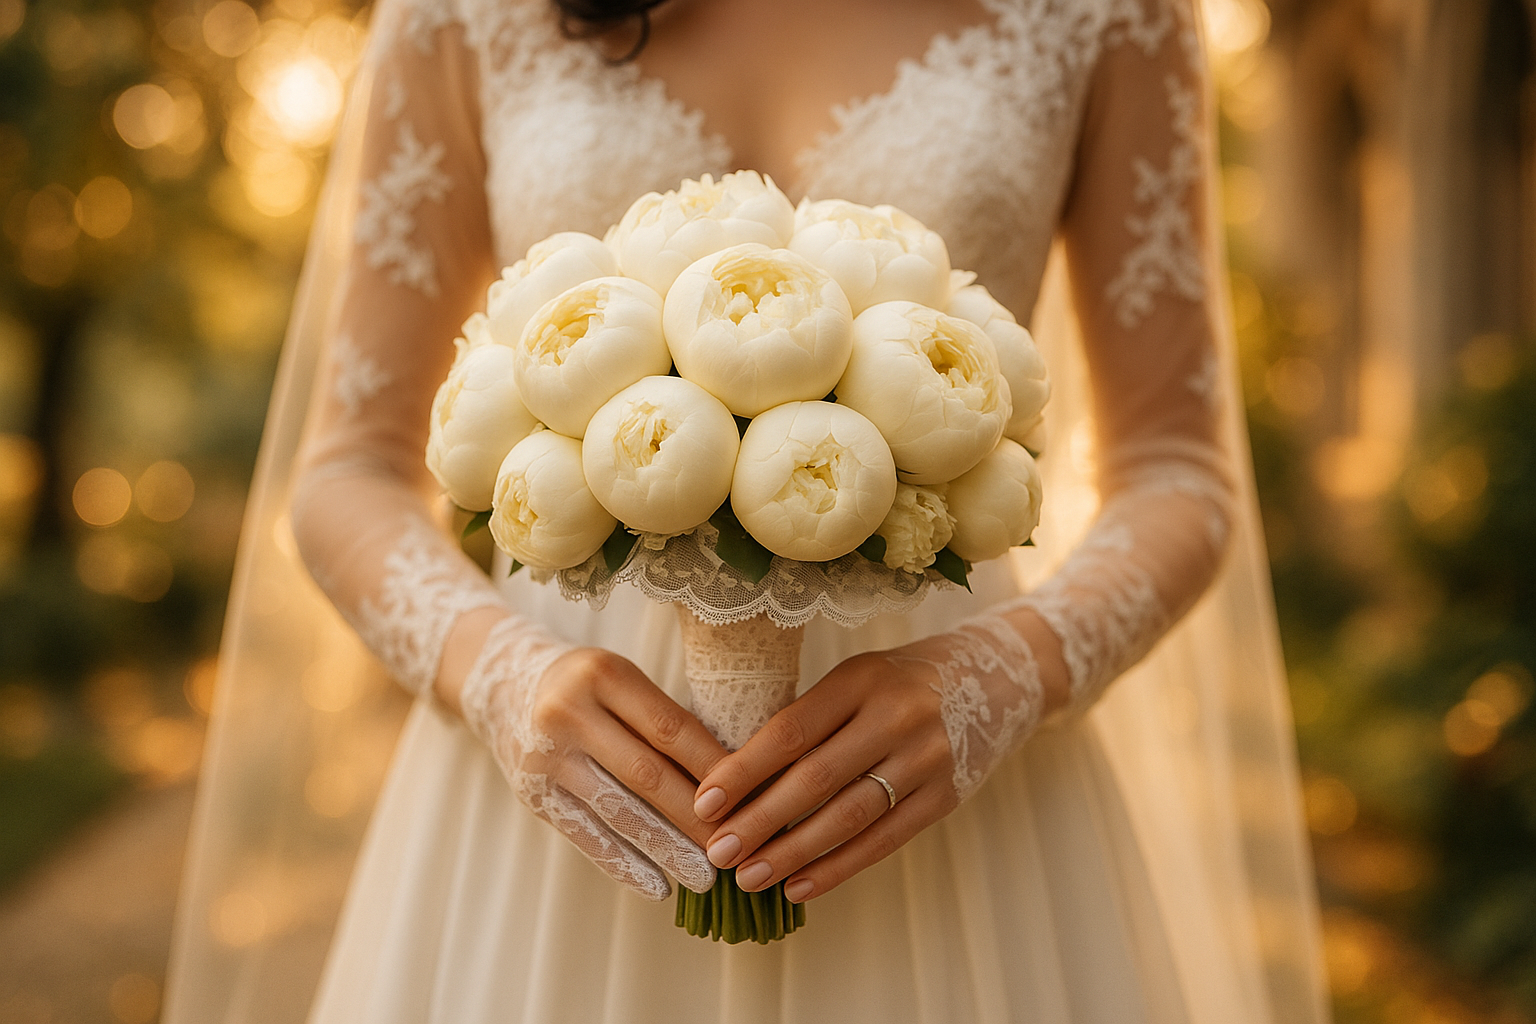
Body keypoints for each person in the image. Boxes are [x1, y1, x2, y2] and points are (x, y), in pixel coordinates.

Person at [164, 0, 1332, 1021]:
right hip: (568, 768)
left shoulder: (1108, 11)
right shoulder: (463, 13)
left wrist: (1005, 675)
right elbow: (350, 470)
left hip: (944, 774)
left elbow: (1180, 465)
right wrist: (496, 672)